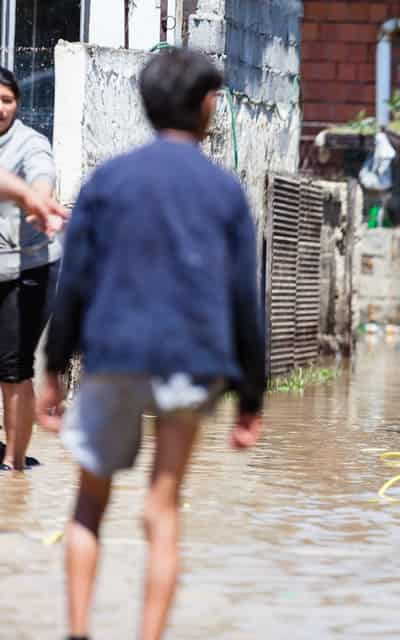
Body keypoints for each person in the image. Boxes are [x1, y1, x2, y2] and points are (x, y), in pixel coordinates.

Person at [36, 48, 265, 640]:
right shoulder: (222, 191)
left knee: (89, 504)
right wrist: (251, 397)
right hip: (192, 361)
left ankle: (79, 632)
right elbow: (245, 296)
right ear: (205, 105)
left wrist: (54, 369)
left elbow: (73, 282)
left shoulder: (109, 181)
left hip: (113, 356)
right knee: (162, 508)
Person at [0, 67, 69, 470]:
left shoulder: (30, 143)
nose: (0, 108)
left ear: (17, 105)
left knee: (13, 367)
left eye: (7, 100)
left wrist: (39, 200)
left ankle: (14, 465)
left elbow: (42, 175)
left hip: (27, 270)